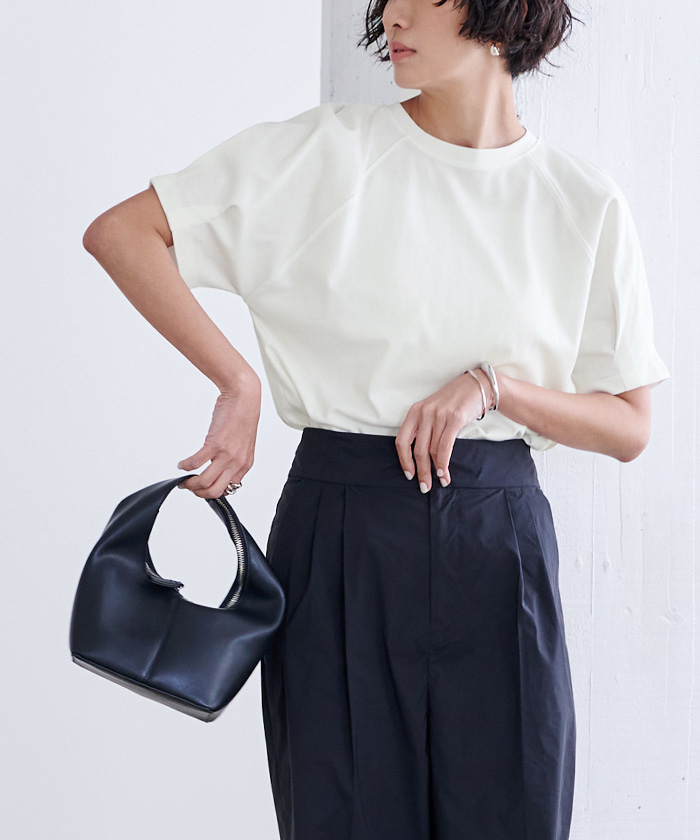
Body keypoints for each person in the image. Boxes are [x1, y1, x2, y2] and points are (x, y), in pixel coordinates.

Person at [82, 1, 671, 838]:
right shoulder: (325, 154)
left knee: (515, 809)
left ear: (503, 14)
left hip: (498, 541)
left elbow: (629, 425)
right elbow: (123, 233)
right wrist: (237, 381)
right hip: (342, 529)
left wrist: (494, 388)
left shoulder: (581, 201)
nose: (394, 13)